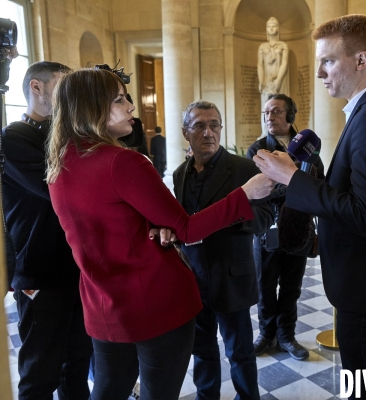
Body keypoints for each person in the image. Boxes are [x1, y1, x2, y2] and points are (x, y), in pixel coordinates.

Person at [46, 68, 274, 400]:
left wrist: (153, 225)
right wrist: (245, 195)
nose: (131, 107)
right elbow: (186, 227)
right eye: (120, 99)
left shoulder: (58, 164)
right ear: (93, 107)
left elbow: (110, 222)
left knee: (108, 391)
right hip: (154, 302)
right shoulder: (124, 162)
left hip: (104, 305)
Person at [252, 15, 366, 397]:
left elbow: (365, 215)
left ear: (361, 61)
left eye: (328, 61)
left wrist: (291, 180)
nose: (318, 72)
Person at [2, 61, 94, 400]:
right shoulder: (15, 136)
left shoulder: (64, 134)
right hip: (39, 272)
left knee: (77, 365)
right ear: (36, 88)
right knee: (40, 372)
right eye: (61, 86)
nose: (69, 96)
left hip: (76, 269)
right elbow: (58, 186)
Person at [173, 100, 272, 400]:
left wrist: (223, 221)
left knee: (240, 351)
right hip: (193, 278)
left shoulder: (243, 168)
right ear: (185, 132)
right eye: (200, 126)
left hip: (231, 275)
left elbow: (266, 219)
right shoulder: (180, 174)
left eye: (214, 125)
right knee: (202, 351)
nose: (208, 132)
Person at [246, 94, 324, 361]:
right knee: (264, 286)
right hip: (267, 231)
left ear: (291, 116)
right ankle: (265, 334)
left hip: (298, 230)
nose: (270, 117)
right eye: (266, 112)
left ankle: (286, 336)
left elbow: (319, 188)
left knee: (292, 287)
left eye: (276, 111)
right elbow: (255, 192)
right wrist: (290, 183)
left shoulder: (310, 150)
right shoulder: (257, 149)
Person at [257, 17, 289, 136]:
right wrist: (261, 80)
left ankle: (281, 131)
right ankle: (266, 133)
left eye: (274, 25)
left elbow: (284, 63)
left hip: (278, 80)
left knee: (279, 106)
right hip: (267, 81)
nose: (271, 28)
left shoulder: (283, 45)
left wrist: (278, 81)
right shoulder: (262, 47)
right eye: (269, 26)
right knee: (266, 107)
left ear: (278, 28)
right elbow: (260, 64)